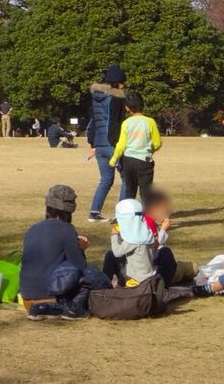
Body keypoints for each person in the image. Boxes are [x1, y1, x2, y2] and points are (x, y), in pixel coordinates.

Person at [19, 185, 109, 320]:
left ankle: (42, 309)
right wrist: (81, 249)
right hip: (52, 297)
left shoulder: (32, 229)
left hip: (26, 298)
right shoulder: (67, 229)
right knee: (92, 275)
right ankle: (74, 309)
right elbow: (79, 265)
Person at [86, 65, 126, 223]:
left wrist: (92, 142)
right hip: (112, 142)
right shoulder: (117, 97)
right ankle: (122, 215)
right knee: (126, 179)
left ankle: (94, 212)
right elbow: (118, 121)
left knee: (106, 179)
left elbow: (94, 120)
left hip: (99, 143)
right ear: (117, 82)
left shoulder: (96, 96)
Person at [109, 92, 161, 201]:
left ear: (127, 108)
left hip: (128, 161)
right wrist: (150, 150)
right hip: (144, 161)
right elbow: (157, 143)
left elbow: (121, 145)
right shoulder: (150, 122)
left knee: (130, 191)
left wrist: (114, 159)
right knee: (146, 192)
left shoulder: (126, 123)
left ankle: (128, 215)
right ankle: (147, 217)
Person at [101, 198, 156, 287]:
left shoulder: (134, 239)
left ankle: (103, 286)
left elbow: (117, 252)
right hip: (148, 274)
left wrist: (114, 235)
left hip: (135, 279)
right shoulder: (145, 232)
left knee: (110, 255)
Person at [143, 189, 182, 285]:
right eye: (164, 211)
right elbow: (155, 245)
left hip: (152, 264)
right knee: (188, 270)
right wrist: (164, 229)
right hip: (151, 267)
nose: (166, 214)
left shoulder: (149, 221)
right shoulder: (148, 222)